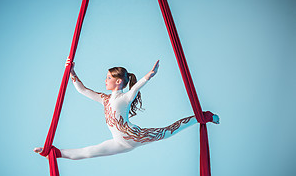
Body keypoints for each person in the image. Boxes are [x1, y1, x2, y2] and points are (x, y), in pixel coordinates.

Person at [34, 59, 219, 160]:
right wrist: (72, 73)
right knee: (89, 152)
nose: (104, 80)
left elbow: (137, 87)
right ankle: (54, 153)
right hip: (119, 142)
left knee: (169, 131)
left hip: (137, 136)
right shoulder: (104, 99)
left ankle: (202, 117)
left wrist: (149, 75)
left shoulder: (124, 97)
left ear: (118, 81)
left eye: (108, 77)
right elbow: (83, 90)